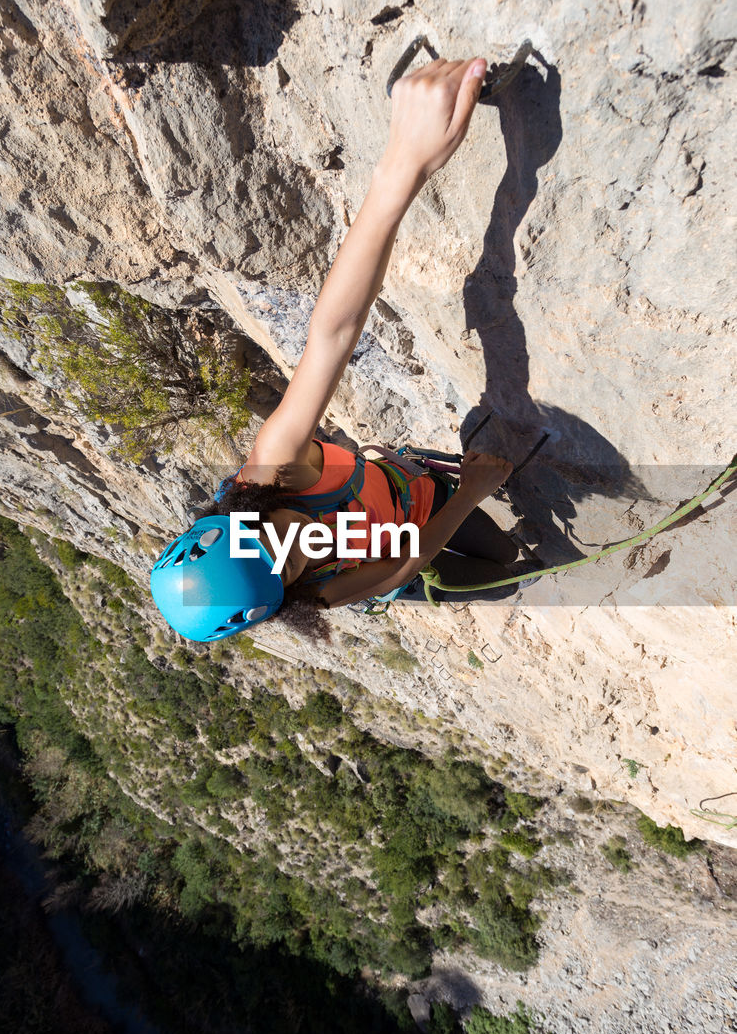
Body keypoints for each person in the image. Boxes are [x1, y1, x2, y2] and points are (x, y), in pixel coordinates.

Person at [151, 55, 538, 642]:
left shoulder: (276, 467)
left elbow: (331, 334)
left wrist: (400, 169)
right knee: (504, 574)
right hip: (414, 529)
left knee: (498, 557)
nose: (287, 542)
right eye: (283, 560)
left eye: (260, 537)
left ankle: (497, 541)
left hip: (416, 497)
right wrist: (472, 493)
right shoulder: (313, 591)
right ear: (281, 591)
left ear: (232, 523)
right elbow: (405, 564)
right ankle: (512, 563)